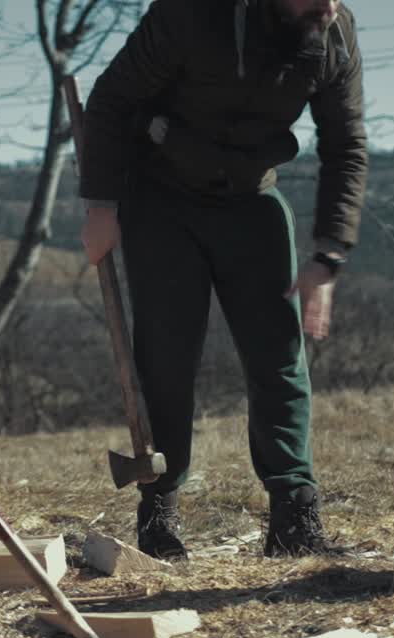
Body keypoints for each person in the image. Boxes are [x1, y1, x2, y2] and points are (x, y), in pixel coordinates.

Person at [77, 0, 367, 559]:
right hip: (162, 195)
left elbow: (345, 143)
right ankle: (159, 509)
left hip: (252, 197)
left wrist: (329, 254)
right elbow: (112, 98)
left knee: (279, 356)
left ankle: (294, 514)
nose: (329, 5)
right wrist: (101, 206)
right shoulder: (192, 11)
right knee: (166, 357)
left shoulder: (335, 31)